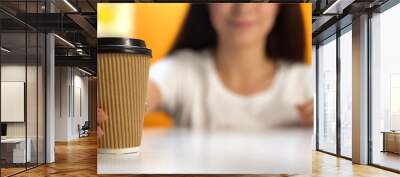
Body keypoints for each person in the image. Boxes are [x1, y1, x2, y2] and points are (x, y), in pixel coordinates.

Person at [98, 3, 313, 137]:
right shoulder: (183, 69)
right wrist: (118, 104)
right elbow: (146, 89)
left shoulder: (306, 82)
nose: (243, 7)